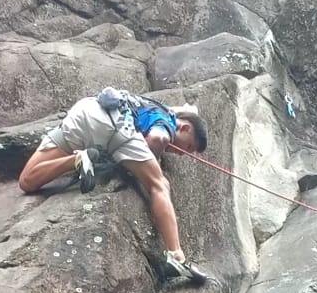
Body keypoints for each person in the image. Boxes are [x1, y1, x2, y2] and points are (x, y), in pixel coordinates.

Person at [18, 88, 208, 265]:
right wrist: (155, 158)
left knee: (27, 181)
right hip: (115, 127)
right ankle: (176, 255)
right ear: (185, 128)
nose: (184, 153)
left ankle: (77, 159)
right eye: (189, 147)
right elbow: (158, 138)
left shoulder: (151, 105)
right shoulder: (167, 119)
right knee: (160, 185)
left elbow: (189, 110)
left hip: (86, 111)